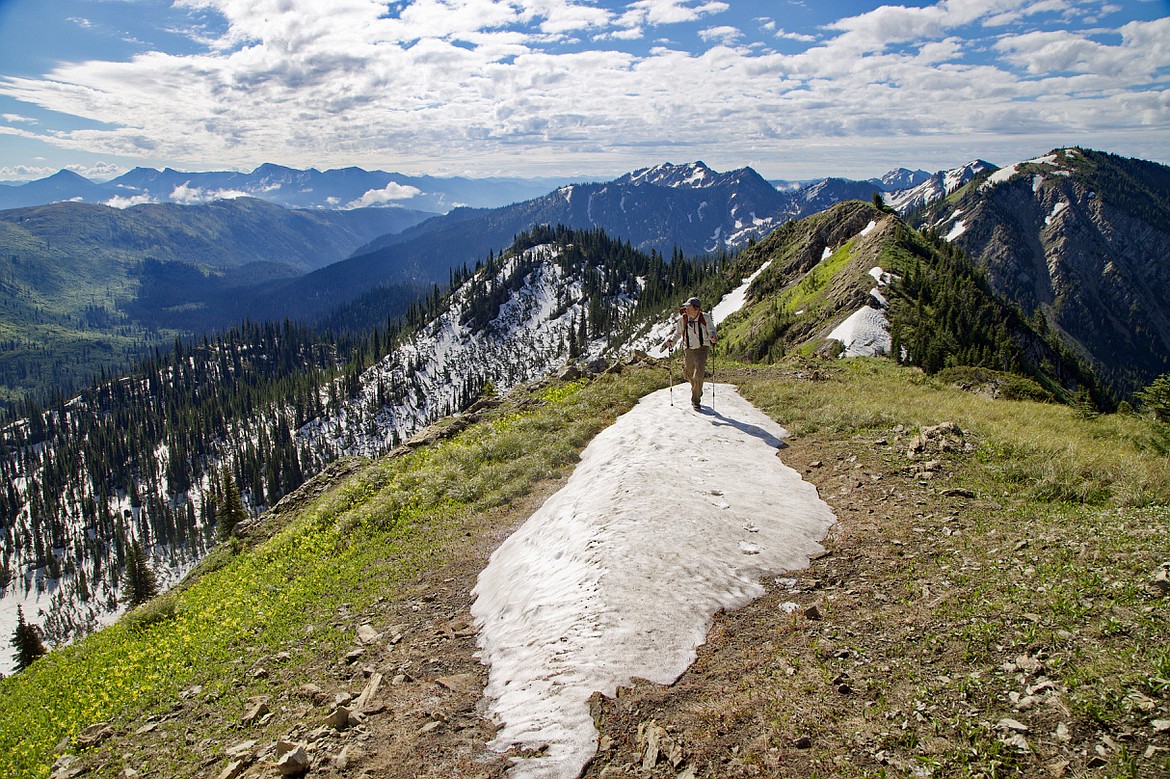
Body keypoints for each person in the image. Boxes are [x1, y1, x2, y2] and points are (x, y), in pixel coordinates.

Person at [662, 296, 717, 410]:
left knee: (699, 374)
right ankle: (697, 389)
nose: (686, 309)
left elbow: (712, 330)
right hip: (689, 349)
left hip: (702, 348)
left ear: (696, 308)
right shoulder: (683, 319)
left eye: (688, 307)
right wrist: (671, 341)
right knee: (688, 373)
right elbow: (677, 334)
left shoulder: (705, 317)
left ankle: (695, 400)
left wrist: (713, 337)